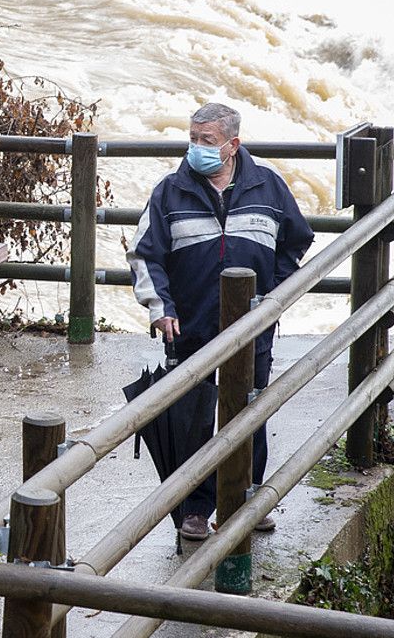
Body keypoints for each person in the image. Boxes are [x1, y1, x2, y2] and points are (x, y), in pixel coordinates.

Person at [126, 102, 314, 542]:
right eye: (192, 139)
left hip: (253, 326)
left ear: (233, 145)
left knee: (250, 411)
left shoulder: (268, 187)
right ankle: (195, 509)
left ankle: (245, 498)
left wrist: (275, 296)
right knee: (194, 417)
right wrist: (162, 308)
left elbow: (297, 241)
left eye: (206, 141)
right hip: (191, 325)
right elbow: (143, 254)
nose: (196, 149)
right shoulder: (169, 192)